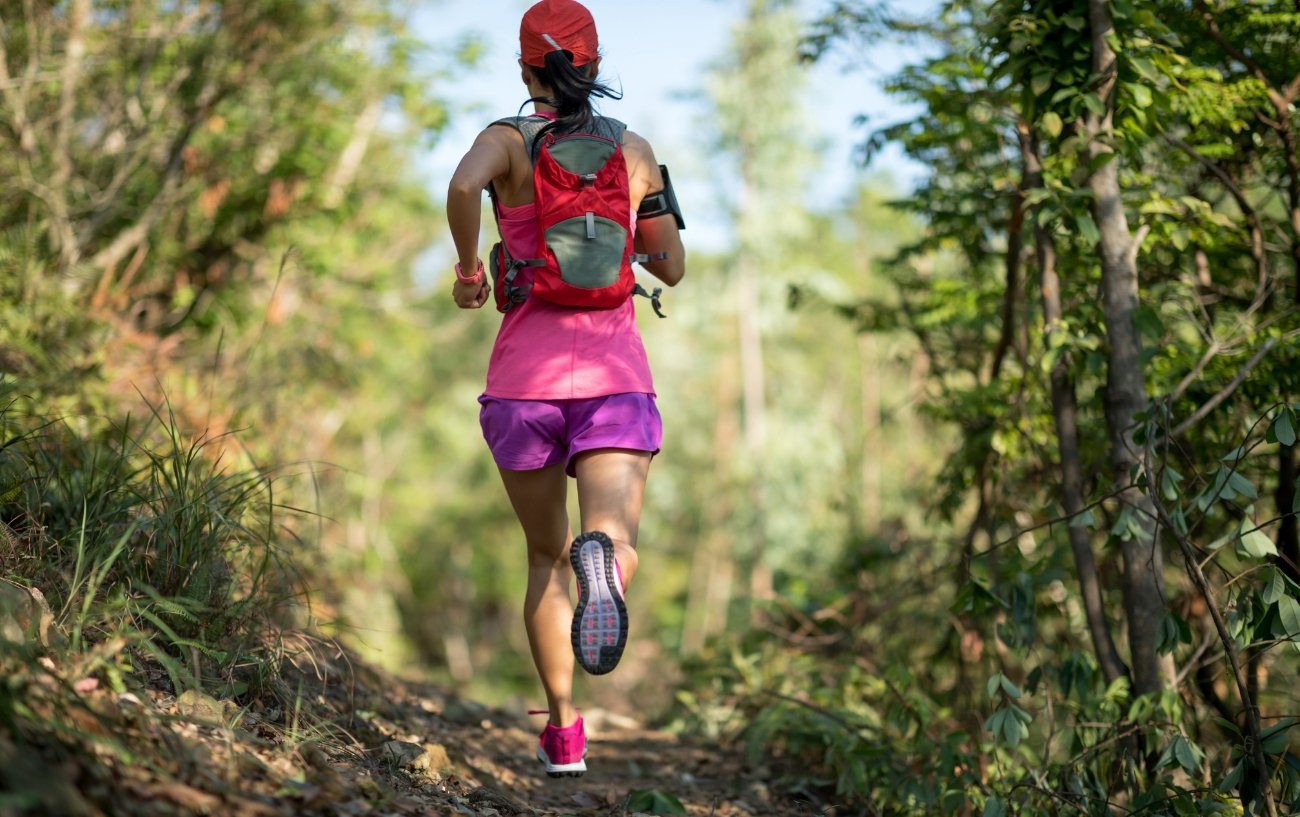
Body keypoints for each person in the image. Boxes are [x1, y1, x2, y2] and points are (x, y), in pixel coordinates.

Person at [444, 0, 685, 779]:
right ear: (593, 64)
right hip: (614, 376)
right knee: (609, 541)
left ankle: (564, 731)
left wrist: (472, 268)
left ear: (526, 68)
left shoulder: (506, 140)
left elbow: (459, 185)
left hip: (522, 384)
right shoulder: (635, 149)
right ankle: (606, 565)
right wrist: (619, 249)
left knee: (545, 557)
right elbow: (672, 265)